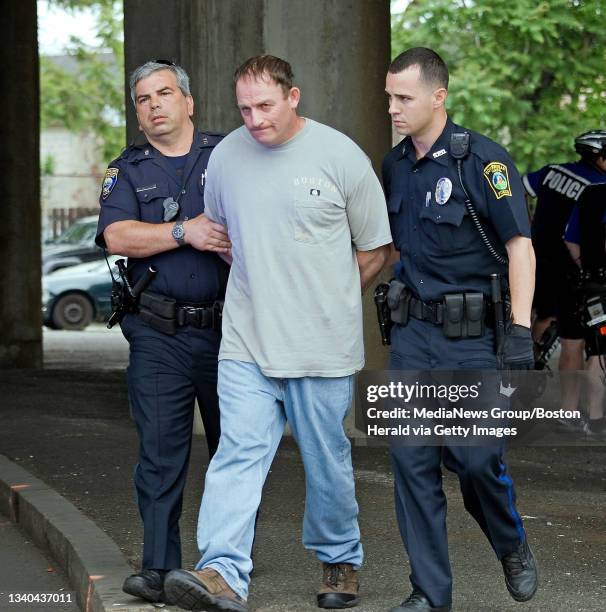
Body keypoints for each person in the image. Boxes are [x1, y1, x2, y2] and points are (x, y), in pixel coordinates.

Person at [163, 54, 392, 612]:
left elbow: (376, 249)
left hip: (322, 347)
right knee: (237, 454)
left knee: (326, 460)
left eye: (265, 106)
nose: (255, 119)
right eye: (245, 108)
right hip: (246, 342)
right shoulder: (224, 160)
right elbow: (224, 234)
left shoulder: (341, 157)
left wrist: (331, 301)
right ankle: (221, 572)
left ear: (293, 97)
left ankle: (339, 559)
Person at [382, 48, 538, 611]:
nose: (394, 108)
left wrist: (520, 330)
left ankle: (511, 542)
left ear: (438, 97)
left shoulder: (483, 162)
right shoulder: (395, 165)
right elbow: (393, 248)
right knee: (412, 460)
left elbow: (520, 246)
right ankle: (429, 595)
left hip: (471, 338)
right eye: (389, 97)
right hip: (411, 336)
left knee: (475, 458)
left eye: (404, 98)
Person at [95, 59, 231, 604]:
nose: (154, 105)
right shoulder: (127, 169)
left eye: (164, 93)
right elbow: (117, 234)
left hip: (231, 332)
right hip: (159, 334)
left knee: (235, 452)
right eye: (143, 99)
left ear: (189, 101)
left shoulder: (230, 156)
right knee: (160, 452)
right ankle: (158, 569)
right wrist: (184, 231)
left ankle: (224, 565)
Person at [524, 130, 606, 416]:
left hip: (533, 255)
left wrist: (528, 226)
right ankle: (569, 412)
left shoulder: (553, 170)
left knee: (541, 315)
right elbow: (578, 236)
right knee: (575, 338)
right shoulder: (599, 184)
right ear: (599, 157)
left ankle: (527, 365)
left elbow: (521, 188)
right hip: (568, 264)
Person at [561, 133, 606, 437]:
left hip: (594, 284)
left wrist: (587, 269)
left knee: (599, 352)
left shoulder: (590, 194)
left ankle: (594, 418)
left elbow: (570, 240)